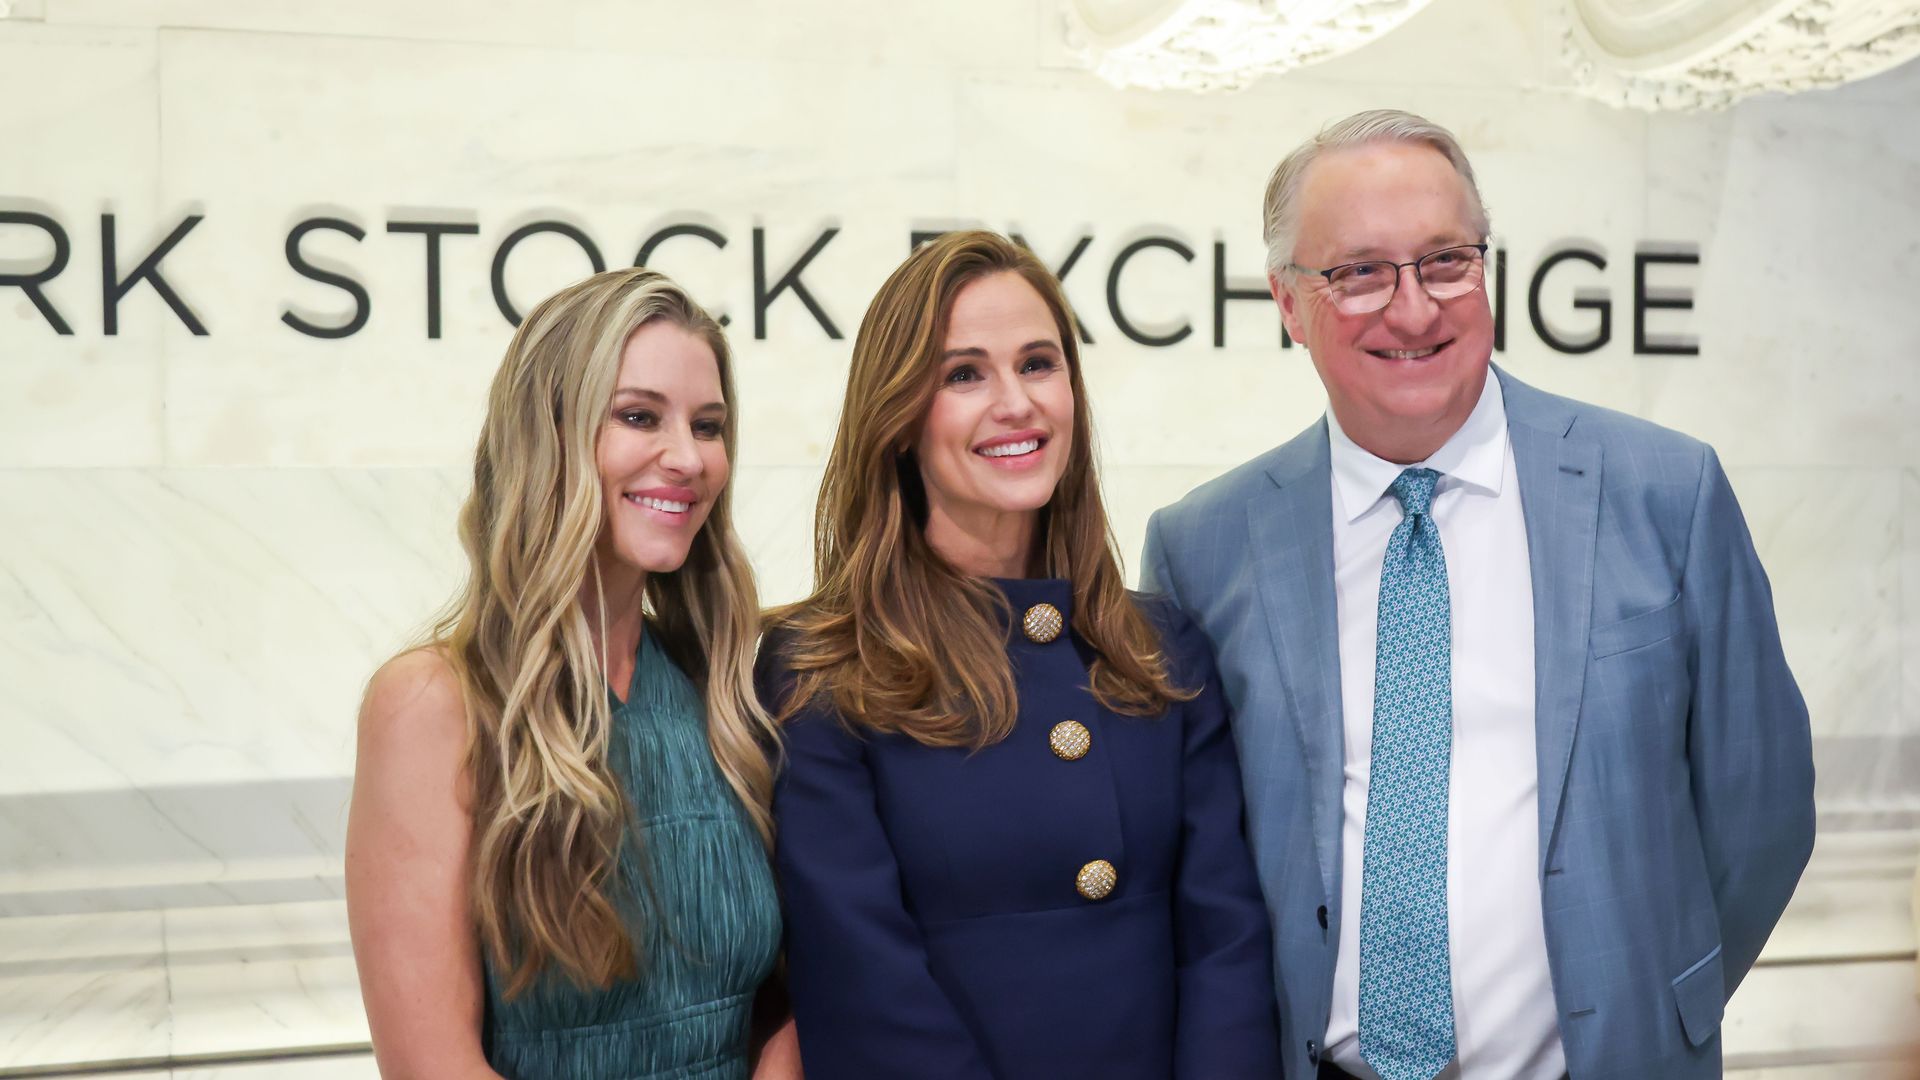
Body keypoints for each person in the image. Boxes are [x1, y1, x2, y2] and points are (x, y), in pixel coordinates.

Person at [1142, 109, 1816, 1080]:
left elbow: (1763, 810)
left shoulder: (1666, 494)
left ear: (1486, 270)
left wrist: (1665, 1004)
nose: (1414, 311)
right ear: (1289, 305)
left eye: (1445, 261)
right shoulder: (1202, 548)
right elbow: (1196, 869)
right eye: (1360, 272)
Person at [761, 230, 1281, 1079]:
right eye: (964, 374)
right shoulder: (821, 668)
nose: (1016, 403)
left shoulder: (1162, 650)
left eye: (1039, 364)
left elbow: (1224, 942)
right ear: (898, 418)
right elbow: (863, 980)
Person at [345, 268, 799, 1079]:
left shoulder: (724, 684)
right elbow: (430, 1065)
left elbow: (786, 1000)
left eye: (708, 425)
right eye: (638, 417)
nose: (688, 458)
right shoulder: (430, 704)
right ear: (547, 434)